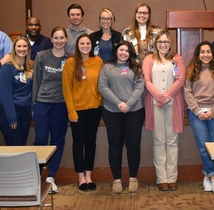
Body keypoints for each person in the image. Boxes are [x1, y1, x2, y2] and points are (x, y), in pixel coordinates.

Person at [98, 41, 145, 194]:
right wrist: (119, 103)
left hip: (134, 111)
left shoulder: (136, 67)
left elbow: (139, 87)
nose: (124, 52)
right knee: (115, 144)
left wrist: (128, 104)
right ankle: (116, 179)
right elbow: (102, 87)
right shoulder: (107, 67)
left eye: (127, 50)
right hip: (112, 111)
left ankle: (133, 178)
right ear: (116, 51)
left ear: (130, 53)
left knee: (133, 144)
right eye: (121, 49)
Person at [142, 30, 186, 191]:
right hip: (154, 104)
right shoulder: (149, 59)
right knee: (159, 140)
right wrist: (159, 98)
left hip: (173, 103)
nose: (162, 45)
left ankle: (172, 177)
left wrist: (166, 96)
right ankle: (162, 178)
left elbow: (180, 80)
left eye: (165, 42)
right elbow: (146, 80)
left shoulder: (177, 59)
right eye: (160, 42)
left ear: (170, 44)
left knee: (172, 141)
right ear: (155, 44)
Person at [184, 41, 214, 192]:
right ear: (198, 54)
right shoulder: (191, 71)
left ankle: (206, 174)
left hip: (213, 112)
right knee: (203, 145)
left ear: (212, 54)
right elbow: (187, 93)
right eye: (202, 52)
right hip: (196, 113)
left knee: (213, 145)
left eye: (208, 52)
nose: (205, 55)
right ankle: (213, 176)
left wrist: (213, 111)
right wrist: (198, 111)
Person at [63, 34, 103, 191]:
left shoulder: (98, 61)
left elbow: (102, 83)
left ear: (91, 45)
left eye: (88, 43)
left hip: (94, 109)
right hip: (78, 110)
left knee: (91, 143)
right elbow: (67, 90)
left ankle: (89, 175)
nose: (85, 45)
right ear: (77, 46)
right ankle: (80, 177)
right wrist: (71, 111)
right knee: (78, 143)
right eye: (82, 43)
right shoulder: (70, 63)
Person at [32, 26, 69, 194]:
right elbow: (36, 82)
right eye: (56, 38)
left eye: (62, 38)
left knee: (57, 141)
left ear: (66, 40)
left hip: (61, 105)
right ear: (52, 39)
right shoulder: (42, 56)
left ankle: (50, 177)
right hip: (42, 104)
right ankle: (37, 177)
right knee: (40, 140)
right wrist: (34, 105)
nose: (59, 41)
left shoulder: (71, 59)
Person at [0, 36, 34, 146]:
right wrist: (12, 118)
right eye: (19, 46)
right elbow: (5, 95)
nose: (22, 49)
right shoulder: (7, 68)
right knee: (14, 146)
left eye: (24, 46)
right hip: (10, 112)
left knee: (21, 146)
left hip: (25, 111)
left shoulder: (30, 68)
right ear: (14, 49)